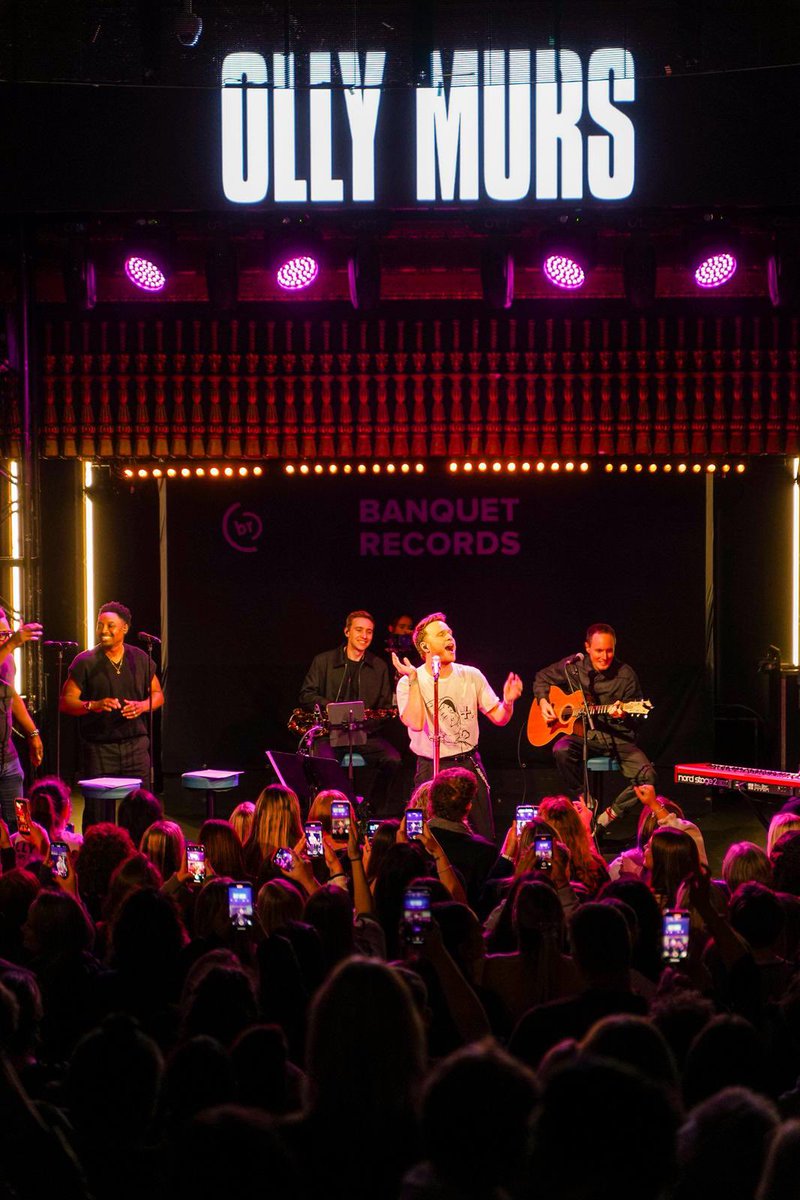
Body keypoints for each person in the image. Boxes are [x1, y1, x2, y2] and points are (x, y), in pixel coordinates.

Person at [392, 611, 523, 841]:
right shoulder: (409, 681)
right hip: (431, 765)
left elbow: (500, 718)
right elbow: (415, 722)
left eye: (450, 633)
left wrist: (509, 701)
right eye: (441, 634)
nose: (450, 638)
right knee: (424, 836)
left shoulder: (471, 675)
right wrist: (413, 681)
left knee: (483, 833)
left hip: (467, 763)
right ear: (424, 646)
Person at [533, 622, 655, 829]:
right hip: (585, 736)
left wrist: (622, 716)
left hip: (619, 739)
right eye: (599, 651)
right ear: (587, 648)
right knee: (561, 750)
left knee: (647, 776)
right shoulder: (573, 668)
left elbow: (636, 723)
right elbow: (541, 678)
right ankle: (584, 800)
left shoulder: (626, 675)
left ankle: (607, 816)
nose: (604, 656)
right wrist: (544, 701)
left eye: (609, 651)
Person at [59, 602, 164, 826]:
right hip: (99, 749)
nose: (104, 630)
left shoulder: (141, 659)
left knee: (142, 810)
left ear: (125, 628)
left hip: (136, 746)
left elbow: (157, 694)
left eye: (110, 625)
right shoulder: (85, 661)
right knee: (97, 813)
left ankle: (141, 856)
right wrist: (92, 705)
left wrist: (143, 706)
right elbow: (66, 702)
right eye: (100, 625)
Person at [299, 610, 401, 808]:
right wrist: (328, 706)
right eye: (359, 630)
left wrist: (366, 725)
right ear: (347, 631)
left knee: (393, 760)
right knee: (324, 763)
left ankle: (370, 809)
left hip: (364, 734)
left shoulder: (379, 666)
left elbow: (385, 707)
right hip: (328, 734)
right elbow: (306, 695)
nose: (364, 636)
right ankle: (336, 809)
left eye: (369, 632)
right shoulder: (323, 661)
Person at [0, 609, 43, 830]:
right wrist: (12, 643)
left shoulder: (7, 659)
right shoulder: (7, 651)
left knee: (21, 824)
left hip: (9, 759)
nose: (6, 639)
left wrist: (32, 733)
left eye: (7, 634)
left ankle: (22, 863)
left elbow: (12, 695)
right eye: (0, 636)